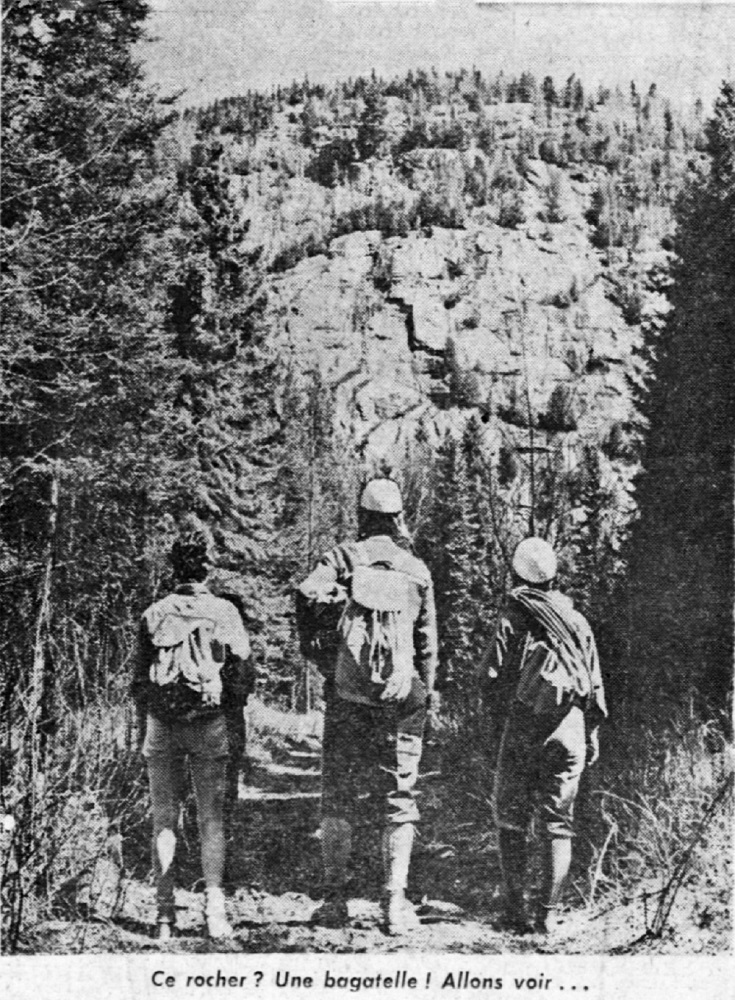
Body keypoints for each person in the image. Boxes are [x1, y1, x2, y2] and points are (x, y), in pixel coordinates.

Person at [296, 478, 439, 935]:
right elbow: (427, 644)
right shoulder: (416, 568)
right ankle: (394, 903)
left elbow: (305, 596)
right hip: (402, 700)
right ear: (398, 518)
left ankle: (335, 901)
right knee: (399, 797)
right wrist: (424, 692)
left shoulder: (341, 559)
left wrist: (325, 662)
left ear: (361, 516)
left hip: (348, 695)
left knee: (338, 792)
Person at [132, 523, 251, 941]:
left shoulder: (153, 612)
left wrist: (146, 729)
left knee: (163, 820)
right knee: (211, 819)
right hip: (208, 723)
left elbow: (138, 683)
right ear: (207, 569)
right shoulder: (224, 612)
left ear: (173, 568)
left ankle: (164, 917)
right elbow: (241, 677)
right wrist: (233, 727)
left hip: (161, 725)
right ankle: (214, 913)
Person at [486, 537, 607, 934]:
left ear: (518, 573)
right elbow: (595, 686)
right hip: (570, 725)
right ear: (555, 575)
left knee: (511, 817)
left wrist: (495, 713)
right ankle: (548, 915)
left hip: (524, 723)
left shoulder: (515, 611)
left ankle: (514, 910)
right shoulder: (577, 619)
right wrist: (591, 735)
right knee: (559, 821)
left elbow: (490, 673)